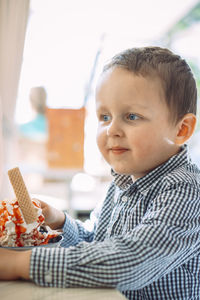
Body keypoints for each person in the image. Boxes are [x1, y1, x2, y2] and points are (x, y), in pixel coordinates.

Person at [0, 46, 200, 300]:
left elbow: (130, 260)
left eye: (131, 116)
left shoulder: (186, 190)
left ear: (181, 129)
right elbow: (99, 243)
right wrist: (59, 221)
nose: (111, 130)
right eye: (104, 116)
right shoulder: (122, 183)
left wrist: (20, 264)